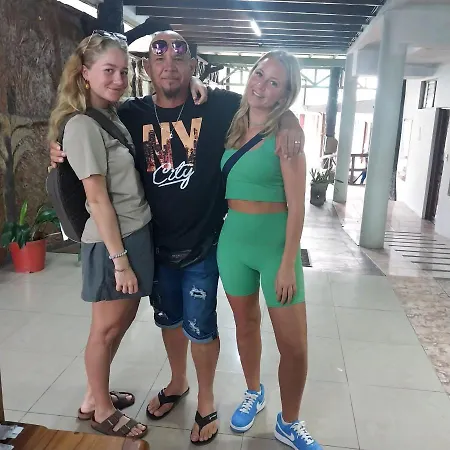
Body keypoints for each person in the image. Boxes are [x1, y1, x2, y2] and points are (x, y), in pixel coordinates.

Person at [50, 30, 304, 445]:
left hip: (204, 244)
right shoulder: (128, 113)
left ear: (193, 67)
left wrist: (291, 119)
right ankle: (176, 382)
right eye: (159, 59)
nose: (169, 67)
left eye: (179, 60)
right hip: (153, 245)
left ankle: (206, 401)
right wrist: (58, 147)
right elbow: (84, 129)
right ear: (148, 69)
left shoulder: (218, 105)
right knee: (168, 321)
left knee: (201, 327)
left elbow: (263, 104)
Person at [47, 31, 153, 438]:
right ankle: (102, 411)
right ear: (85, 74)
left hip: (133, 231)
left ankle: (95, 395)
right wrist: (120, 261)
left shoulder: (110, 114)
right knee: (104, 329)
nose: (118, 79)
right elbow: (96, 199)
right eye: (108, 70)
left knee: (120, 322)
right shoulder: (82, 125)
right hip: (114, 242)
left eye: (123, 71)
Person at [218, 51, 322, 450]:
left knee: (293, 345)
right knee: (245, 325)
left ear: (285, 94)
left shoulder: (286, 136)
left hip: (276, 248)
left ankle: (289, 421)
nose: (260, 85)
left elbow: (297, 207)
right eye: (259, 73)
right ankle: (253, 391)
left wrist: (287, 263)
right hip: (233, 244)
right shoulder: (231, 122)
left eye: (273, 82)